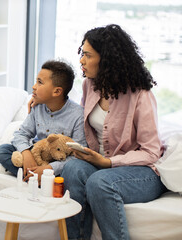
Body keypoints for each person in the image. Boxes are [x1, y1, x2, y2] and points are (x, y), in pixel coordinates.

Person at [60, 24, 167, 239]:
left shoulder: (140, 95)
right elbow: (81, 119)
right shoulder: (89, 85)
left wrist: (108, 163)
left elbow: (151, 152)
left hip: (141, 172)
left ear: (106, 59)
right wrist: (43, 106)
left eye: (88, 55)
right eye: (82, 53)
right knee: (72, 169)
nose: (81, 60)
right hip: (101, 163)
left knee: (99, 182)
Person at [0, 60, 87, 182]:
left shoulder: (78, 115)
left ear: (57, 91)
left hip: (59, 162)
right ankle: (37, 178)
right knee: (2, 151)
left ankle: (36, 177)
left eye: (39, 82)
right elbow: (22, 134)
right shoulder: (38, 107)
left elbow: (78, 154)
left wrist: (49, 168)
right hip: (36, 154)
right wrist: (26, 153)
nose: (34, 87)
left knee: (73, 169)